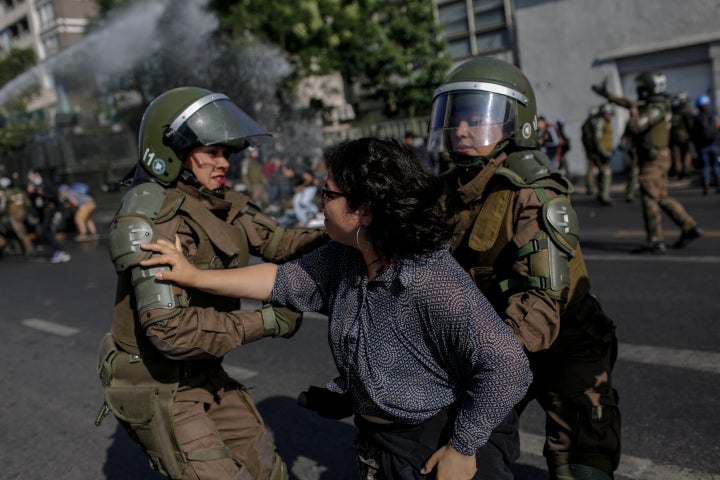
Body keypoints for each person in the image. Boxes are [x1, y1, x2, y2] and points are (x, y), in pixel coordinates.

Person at [141, 137, 532, 480]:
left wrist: (462, 451)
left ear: (363, 209)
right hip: (382, 440)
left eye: (328, 195)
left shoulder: (432, 280)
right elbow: (279, 280)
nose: (320, 203)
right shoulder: (346, 257)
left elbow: (509, 368)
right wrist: (193, 276)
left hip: (435, 441)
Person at [94, 87, 328, 480]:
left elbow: (281, 243)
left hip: (204, 369)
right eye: (212, 152)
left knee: (267, 468)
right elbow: (170, 332)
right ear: (172, 151)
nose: (224, 164)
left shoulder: (217, 200)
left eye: (227, 154)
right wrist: (268, 322)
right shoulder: (147, 220)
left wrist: (347, 233)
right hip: (158, 381)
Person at [428, 56, 620, 480]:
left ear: (516, 124)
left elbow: (543, 304)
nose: (461, 129)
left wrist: (489, 365)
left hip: (565, 343)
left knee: (582, 469)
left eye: (478, 117)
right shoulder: (445, 193)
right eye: (456, 117)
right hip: (496, 340)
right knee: (462, 455)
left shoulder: (534, 192)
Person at [593, 71, 704, 253]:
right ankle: (689, 227)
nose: (638, 91)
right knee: (661, 196)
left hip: (653, 160)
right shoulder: (656, 104)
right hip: (659, 158)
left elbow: (637, 126)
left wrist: (634, 113)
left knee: (649, 198)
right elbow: (629, 103)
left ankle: (655, 240)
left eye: (641, 88)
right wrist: (608, 96)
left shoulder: (656, 108)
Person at [581, 103, 615, 205]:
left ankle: (601, 194)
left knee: (600, 173)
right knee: (606, 172)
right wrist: (603, 152)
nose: (608, 115)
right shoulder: (600, 122)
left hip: (603, 151)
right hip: (601, 152)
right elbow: (597, 138)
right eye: (606, 113)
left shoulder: (604, 122)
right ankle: (604, 196)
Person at [689, 93, 720, 195]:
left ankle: (706, 184)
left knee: (705, 166)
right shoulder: (713, 117)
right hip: (714, 145)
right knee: (716, 165)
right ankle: (718, 183)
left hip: (703, 147)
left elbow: (693, 134)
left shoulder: (697, 119)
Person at [669, 92, 696, 179]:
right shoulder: (686, 111)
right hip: (685, 137)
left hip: (674, 137)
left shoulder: (673, 111)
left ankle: (679, 172)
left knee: (677, 156)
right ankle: (686, 170)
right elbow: (690, 124)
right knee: (687, 153)